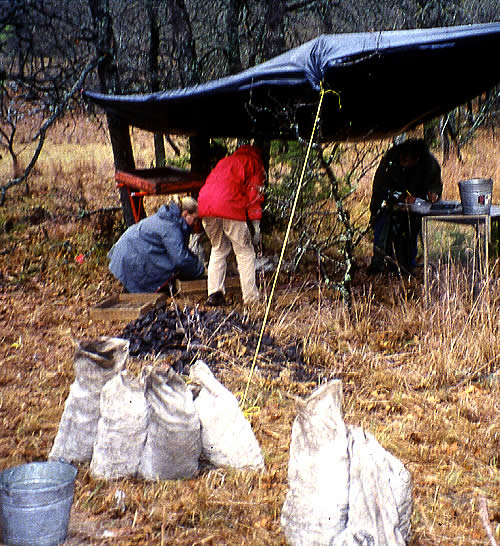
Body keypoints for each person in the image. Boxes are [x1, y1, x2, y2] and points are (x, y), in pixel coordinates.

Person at [198, 144, 265, 306]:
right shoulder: (254, 164)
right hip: (229, 204)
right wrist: (256, 226)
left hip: (205, 204)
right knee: (245, 252)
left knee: (219, 248)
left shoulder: (226, 161)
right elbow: (254, 197)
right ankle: (251, 299)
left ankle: (214, 293)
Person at [368, 139, 442, 274]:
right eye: (403, 161)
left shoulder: (429, 163)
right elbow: (380, 188)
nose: (405, 164)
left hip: (415, 207)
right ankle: (378, 264)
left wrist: (433, 195)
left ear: (417, 159)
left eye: (408, 162)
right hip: (387, 205)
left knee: (411, 232)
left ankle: (408, 265)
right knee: (382, 228)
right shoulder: (390, 161)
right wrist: (399, 196)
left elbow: (435, 185)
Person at [108, 197, 205, 293]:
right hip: (130, 256)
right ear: (185, 214)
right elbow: (180, 258)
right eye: (195, 219)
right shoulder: (171, 228)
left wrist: (194, 261)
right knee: (138, 295)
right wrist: (200, 270)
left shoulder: (170, 219)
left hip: (128, 249)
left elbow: (180, 250)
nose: (196, 223)